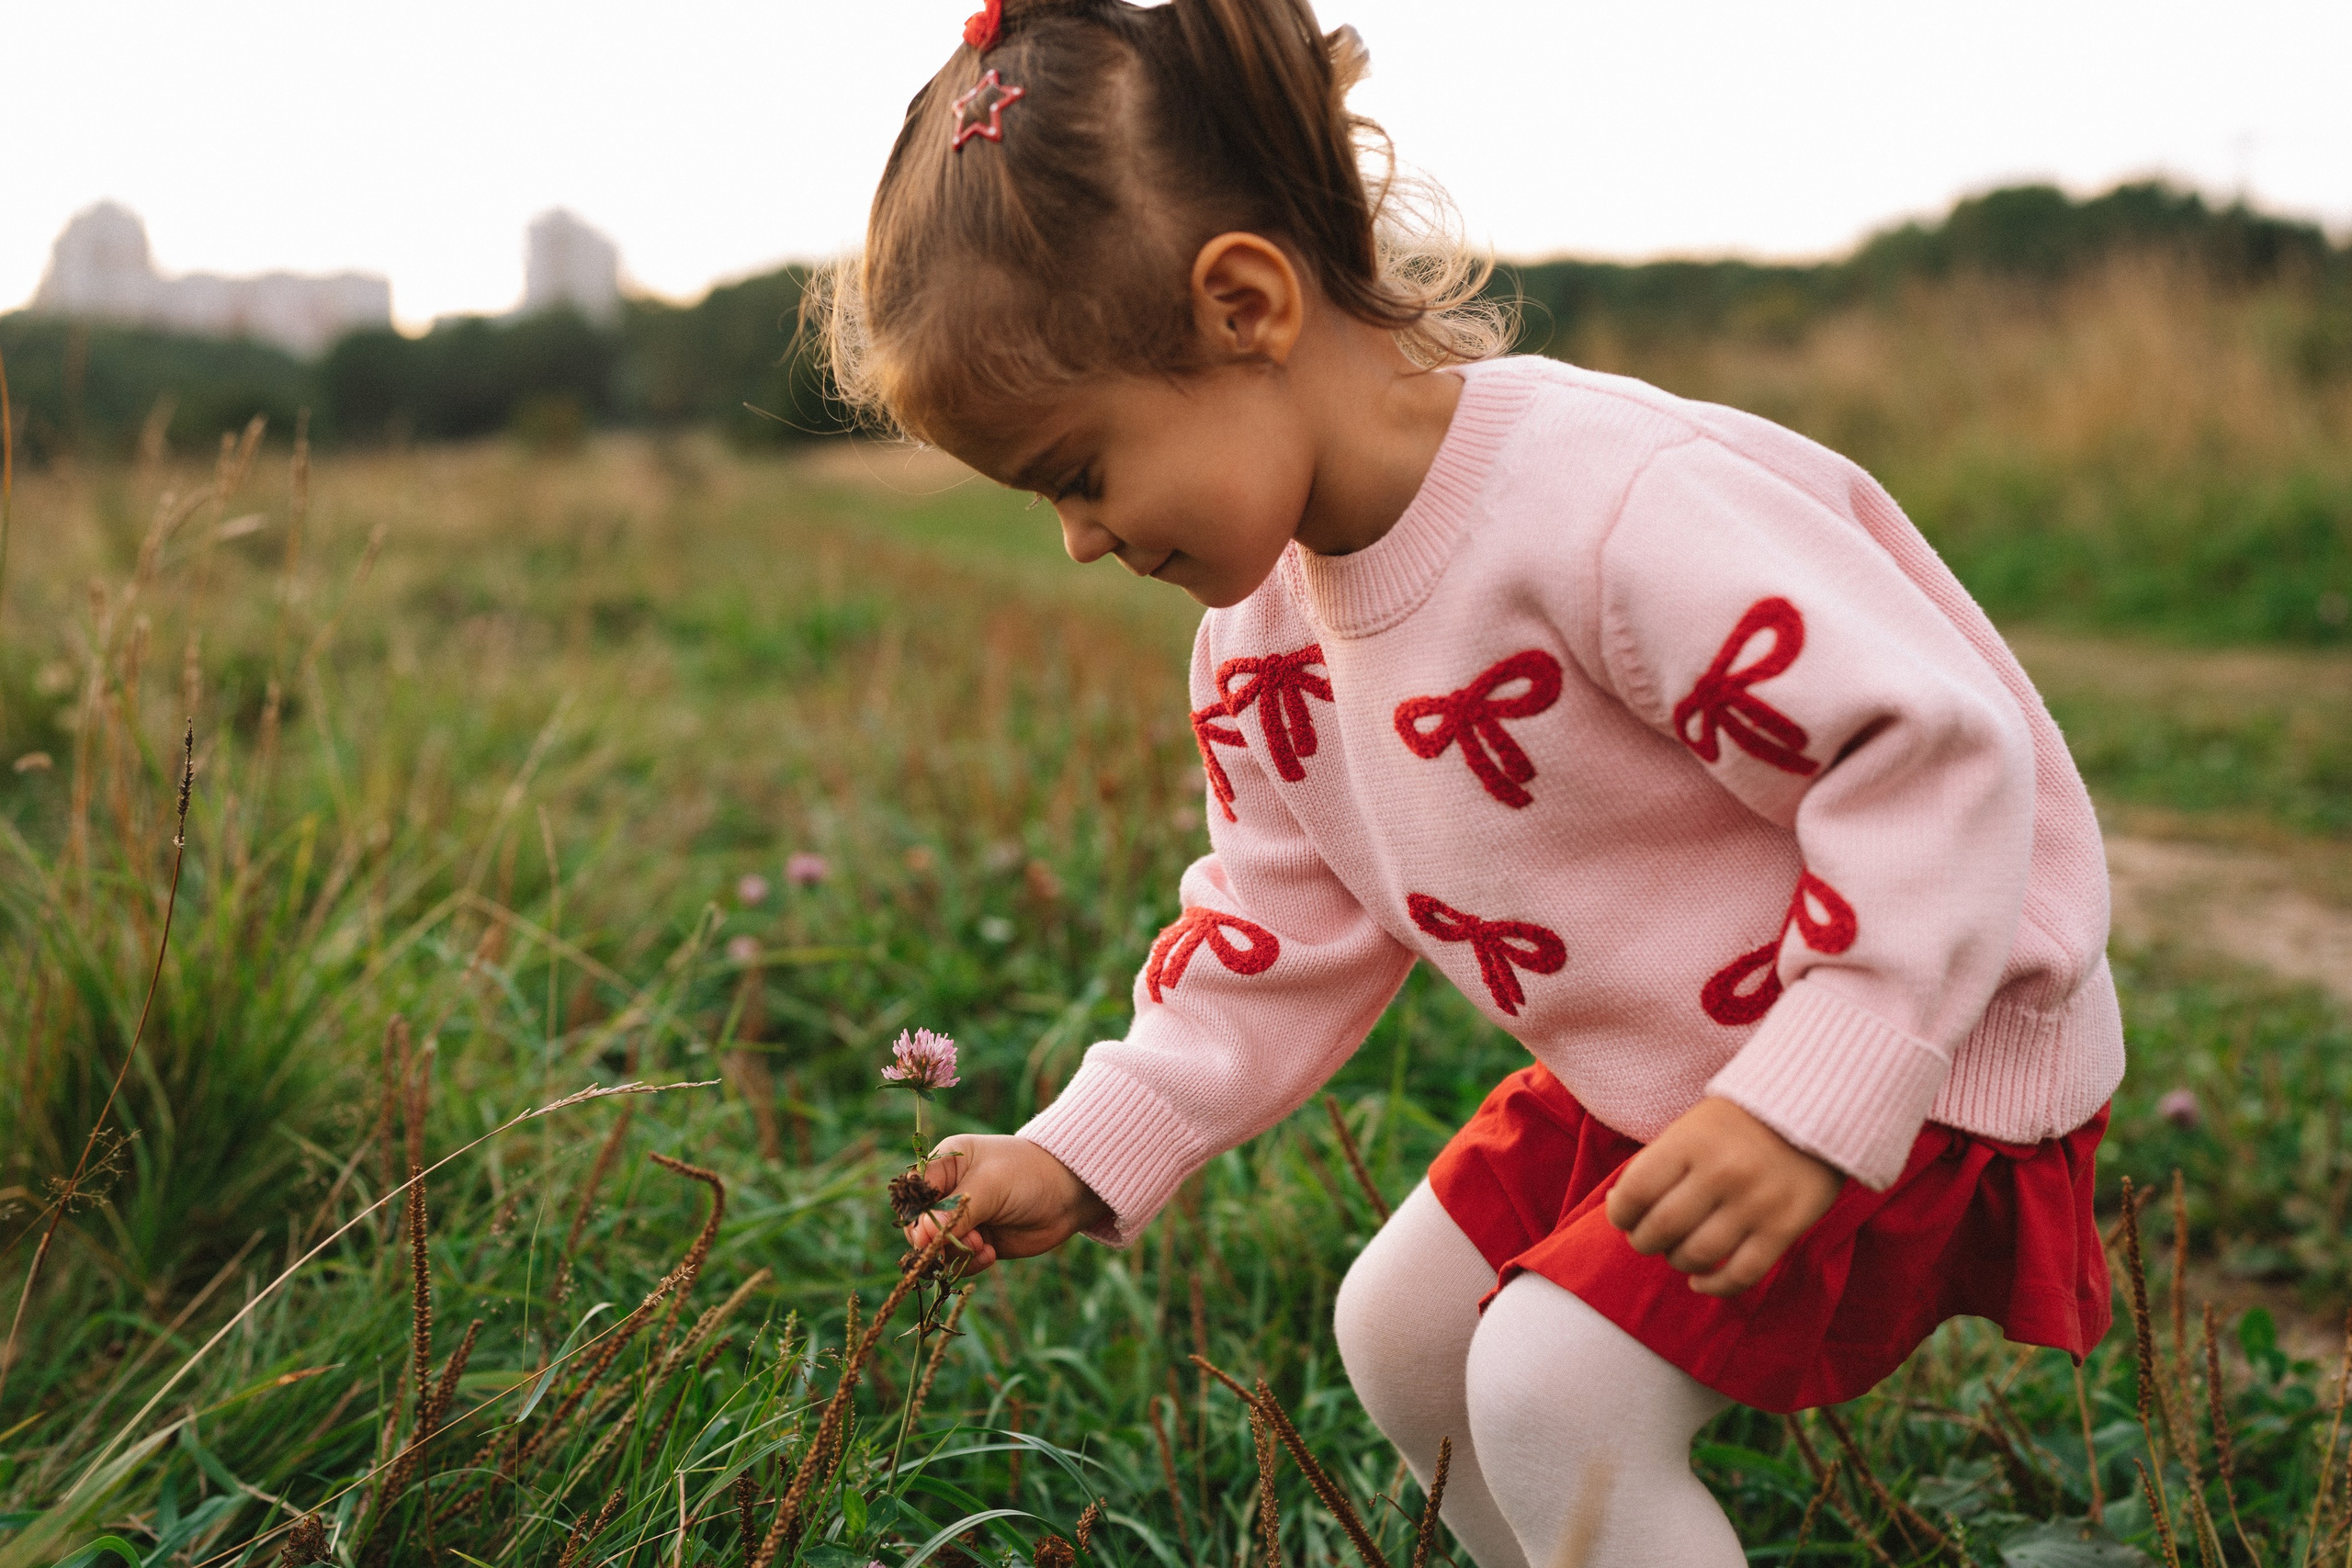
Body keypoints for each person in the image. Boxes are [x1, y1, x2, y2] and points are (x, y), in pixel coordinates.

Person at [830, 1, 2123, 1562]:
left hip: (1902, 1038)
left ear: (1244, 306)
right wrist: (1081, 1148)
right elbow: (1272, 930)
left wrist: (1814, 1092)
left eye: (1082, 470)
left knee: (1555, 1388)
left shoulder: (1607, 509)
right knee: (1408, 1336)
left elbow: (1928, 754)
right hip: (1666, 1071)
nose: (1079, 540)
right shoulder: (1257, 641)